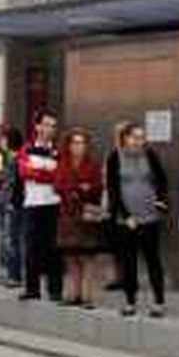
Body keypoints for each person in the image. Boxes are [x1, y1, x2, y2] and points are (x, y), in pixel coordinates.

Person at [105, 122, 169, 318]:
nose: (139, 141)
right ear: (125, 138)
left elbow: (162, 180)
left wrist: (160, 201)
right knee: (129, 262)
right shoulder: (115, 157)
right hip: (127, 220)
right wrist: (126, 216)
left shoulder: (150, 155)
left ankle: (159, 302)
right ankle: (130, 302)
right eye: (135, 137)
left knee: (153, 260)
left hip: (150, 217)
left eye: (142, 137)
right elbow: (113, 190)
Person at [56, 127, 105, 308]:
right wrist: (72, 189)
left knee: (86, 257)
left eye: (82, 143)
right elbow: (58, 185)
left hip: (86, 216)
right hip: (68, 215)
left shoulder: (92, 164)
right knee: (70, 256)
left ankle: (87, 296)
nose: (79, 146)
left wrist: (88, 189)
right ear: (68, 145)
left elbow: (99, 186)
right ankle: (74, 293)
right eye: (75, 142)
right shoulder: (63, 163)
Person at [19, 111, 64, 302]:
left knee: (54, 248)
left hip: (54, 204)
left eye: (53, 126)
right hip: (33, 204)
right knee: (32, 249)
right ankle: (32, 289)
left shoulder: (58, 152)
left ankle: (55, 290)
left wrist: (40, 174)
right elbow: (25, 173)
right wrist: (47, 175)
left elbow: (61, 177)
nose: (50, 129)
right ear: (37, 126)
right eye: (46, 125)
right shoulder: (26, 149)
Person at [0, 125, 26, 287]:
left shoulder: (14, 159)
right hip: (9, 203)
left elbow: (12, 185)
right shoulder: (9, 158)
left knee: (12, 239)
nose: (1, 141)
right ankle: (13, 273)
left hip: (12, 204)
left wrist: (9, 203)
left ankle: (14, 275)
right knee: (13, 239)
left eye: (3, 138)